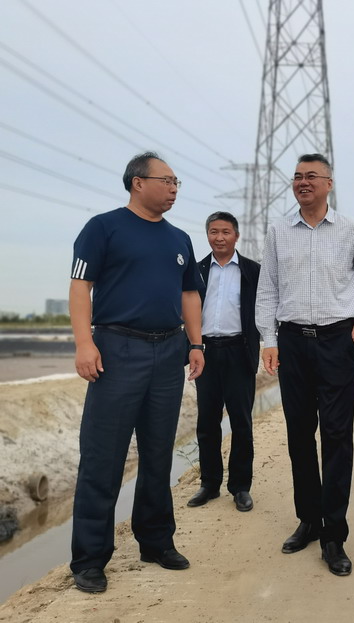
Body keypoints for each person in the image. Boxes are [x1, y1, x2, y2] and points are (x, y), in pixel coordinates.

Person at [68, 152, 204, 593]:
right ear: (137, 182)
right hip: (117, 349)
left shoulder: (180, 239)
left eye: (177, 181)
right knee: (103, 457)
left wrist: (196, 343)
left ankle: (156, 541)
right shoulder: (103, 228)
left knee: (159, 452)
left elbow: (189, 295)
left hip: (169, 352)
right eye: (167, 180)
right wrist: (84, 342)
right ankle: (90, 559)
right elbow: (80, 285)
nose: (174, 188)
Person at [255, 153, 354, 577]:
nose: (303, 182)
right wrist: (269, 339)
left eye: (312, 176)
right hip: (293, 342)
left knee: (336, 436)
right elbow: (267, 289)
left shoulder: (350, 230)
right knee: (298, 434)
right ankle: (309, 520)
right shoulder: (278, 231)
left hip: (336, 342)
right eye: (297, 176)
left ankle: (334, 535)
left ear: (329, 184)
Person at [187, 212, 261, 512]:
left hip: (239, 351)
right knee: (207, 421)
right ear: (207, 235)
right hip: (205, 352)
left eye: (226, 232)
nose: (219, 237)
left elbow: (265, 308)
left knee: (241, 422)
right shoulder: (196, 270)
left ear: (236, 236)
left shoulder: (252, 271)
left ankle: (240, 487)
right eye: (214, 232)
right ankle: (210, 483)